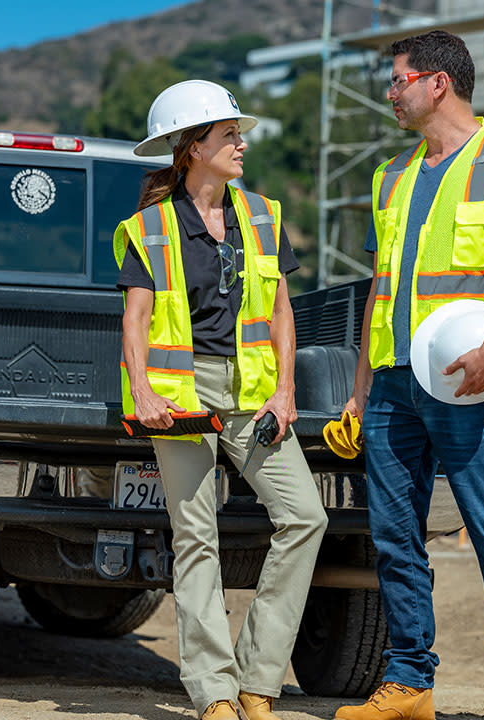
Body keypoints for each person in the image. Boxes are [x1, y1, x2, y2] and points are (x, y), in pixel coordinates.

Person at [335, 30, 484, 720]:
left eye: (398, 80)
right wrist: (363, 382)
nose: (390, 93)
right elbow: (382, 284)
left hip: (472, 382)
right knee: (394, 537)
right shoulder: (391, 176)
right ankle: (409, 681)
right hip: (394, 382)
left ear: (437, 83)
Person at [115, 79, 327, 720]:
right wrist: (145, 391)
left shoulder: (262, 216)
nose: (241, 143)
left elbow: (283, 311)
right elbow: (135, 321)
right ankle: (214, 693)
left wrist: (287, 389)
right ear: (191, 147)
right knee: (196, 537)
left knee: (305, 517)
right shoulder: (148, 229)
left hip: (256, 393)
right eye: (229, 133)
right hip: (179, 397)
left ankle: (260, 680)